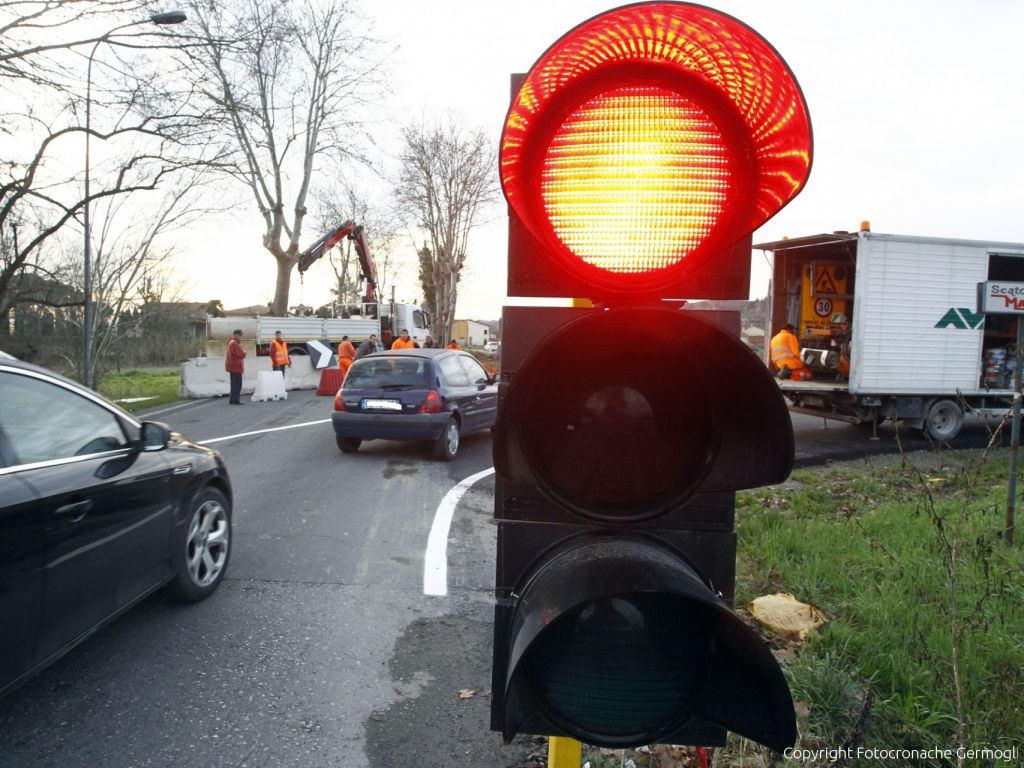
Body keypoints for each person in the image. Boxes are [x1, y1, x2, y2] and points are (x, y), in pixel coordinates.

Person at [225, 329, 247, 404]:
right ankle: (235, 400)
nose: (241, 337)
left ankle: (232, 400)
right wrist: (244, 352)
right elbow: (240, 354)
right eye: (240, 335)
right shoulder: (234, 343)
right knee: (237, 384)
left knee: (234, 384)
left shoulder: (232, 342)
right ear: (235, 335)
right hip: (236, 366)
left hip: (233, 366)